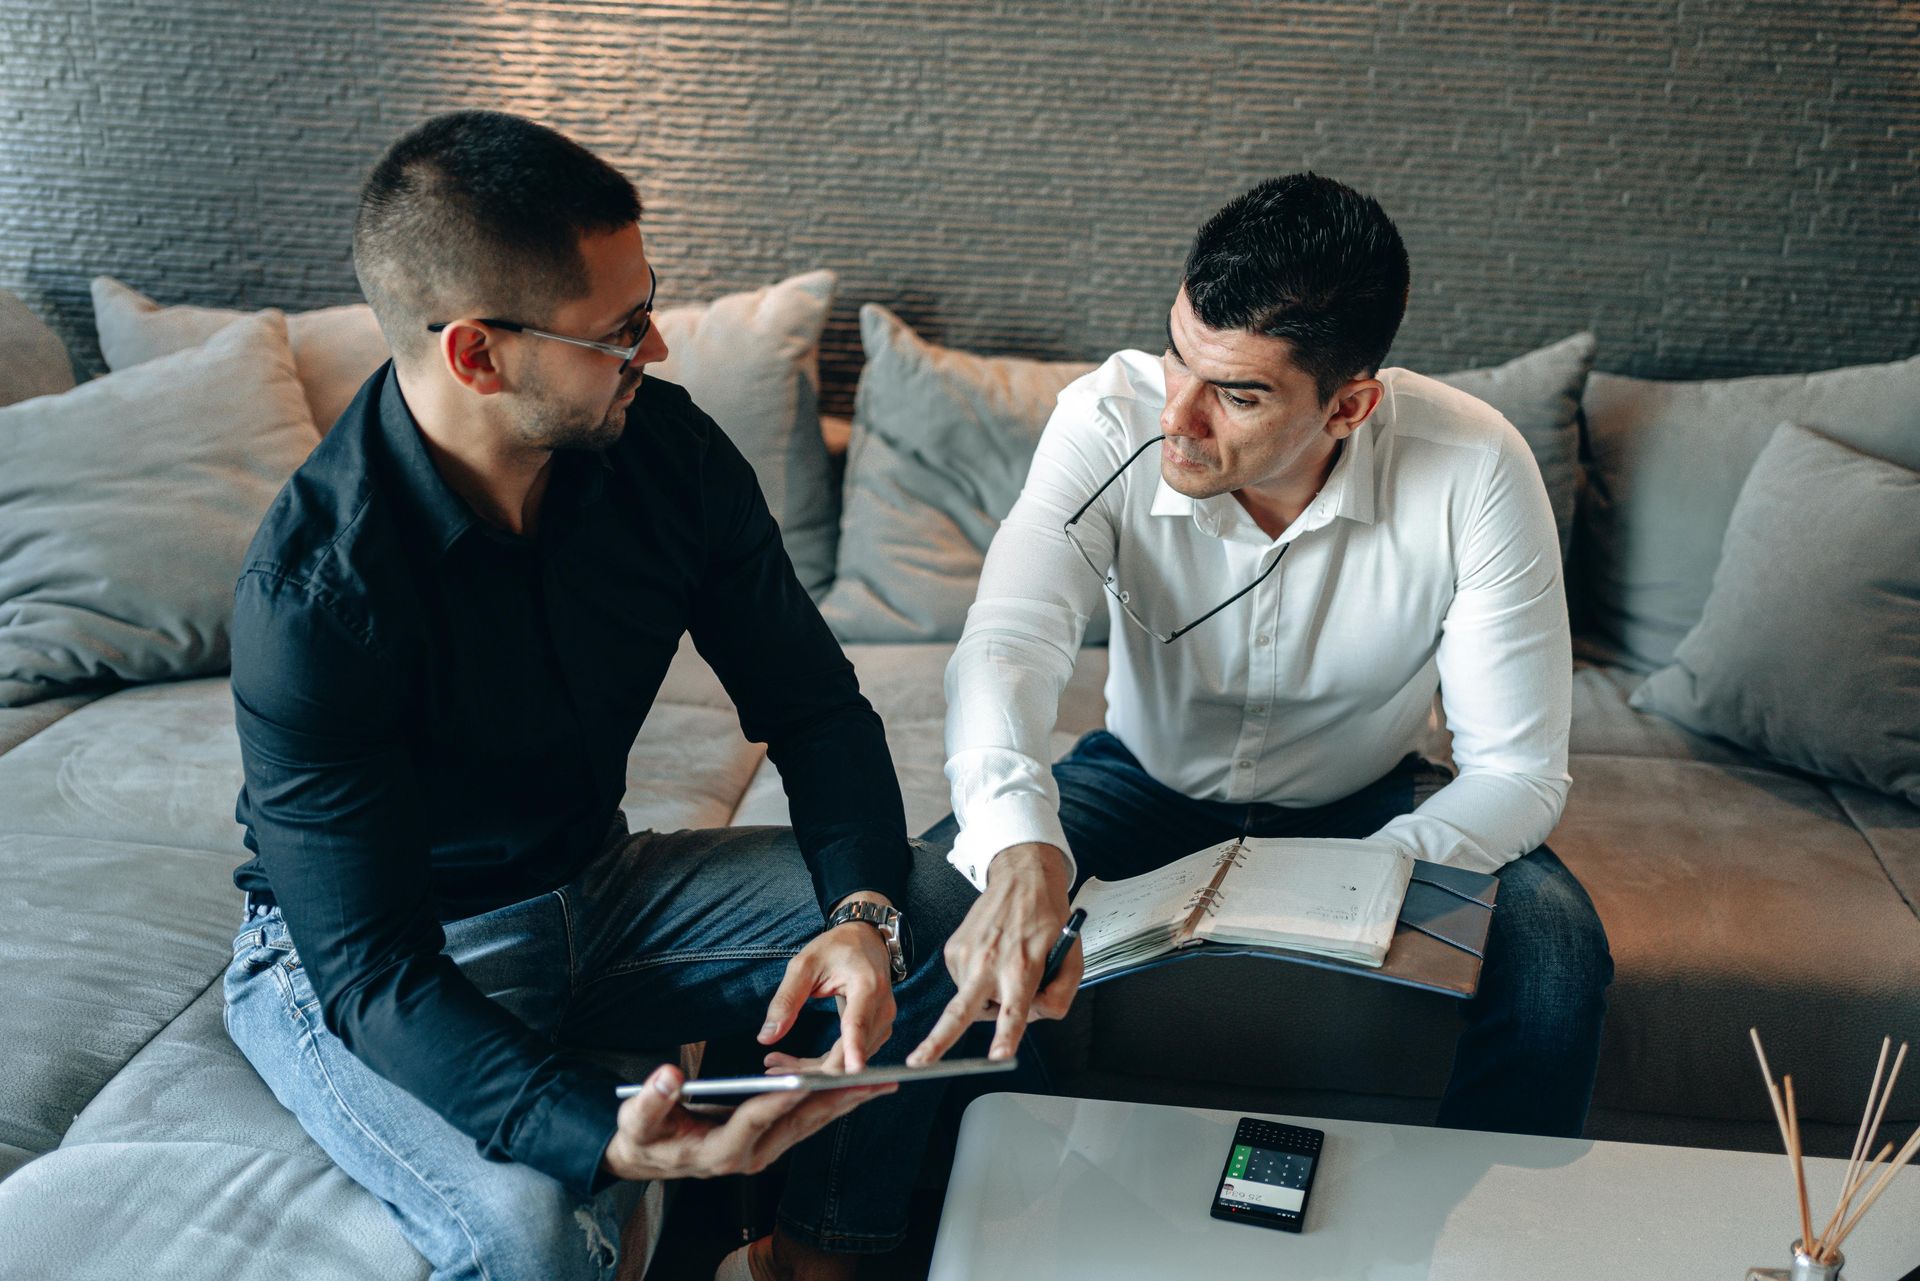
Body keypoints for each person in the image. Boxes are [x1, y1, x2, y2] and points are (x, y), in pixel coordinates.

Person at [224, 110, 973, 1281]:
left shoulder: (666, 455)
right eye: (621, 331)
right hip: (394, 954)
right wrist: (604, 1137)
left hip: (598, 890)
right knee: (530, 1237)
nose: (657, 348)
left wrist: (861, 917)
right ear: (478, 355)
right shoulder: (317, 593)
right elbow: (372, 973)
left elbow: (816, 709)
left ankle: (809, 1258)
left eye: (648, 307)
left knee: (935, 905)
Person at [910, 173, 1614, 1139]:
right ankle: (1013, 1179)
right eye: (1177, 358)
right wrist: (1020, 845)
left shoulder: (1478, 466)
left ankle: (1486, 1220)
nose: (1178, 418)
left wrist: (1361, 876)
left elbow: (1519, 772)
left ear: (1349, 405)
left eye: (1237, 394)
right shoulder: (1104, 418)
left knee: (1557, 952)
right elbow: (1009, 639)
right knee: (923, 905)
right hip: (1142, 778)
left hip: (1369, 800)